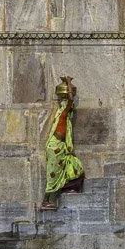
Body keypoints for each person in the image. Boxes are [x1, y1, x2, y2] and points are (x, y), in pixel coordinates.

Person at [41, 76, 85, 210]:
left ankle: (68, 189)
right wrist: (69, 82)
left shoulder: (64, 114)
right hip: (55, 147)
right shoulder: (63, 112)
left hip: (61, 147)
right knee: (53, 174)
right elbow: (70, 100)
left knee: (75, 165)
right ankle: (45, 201)